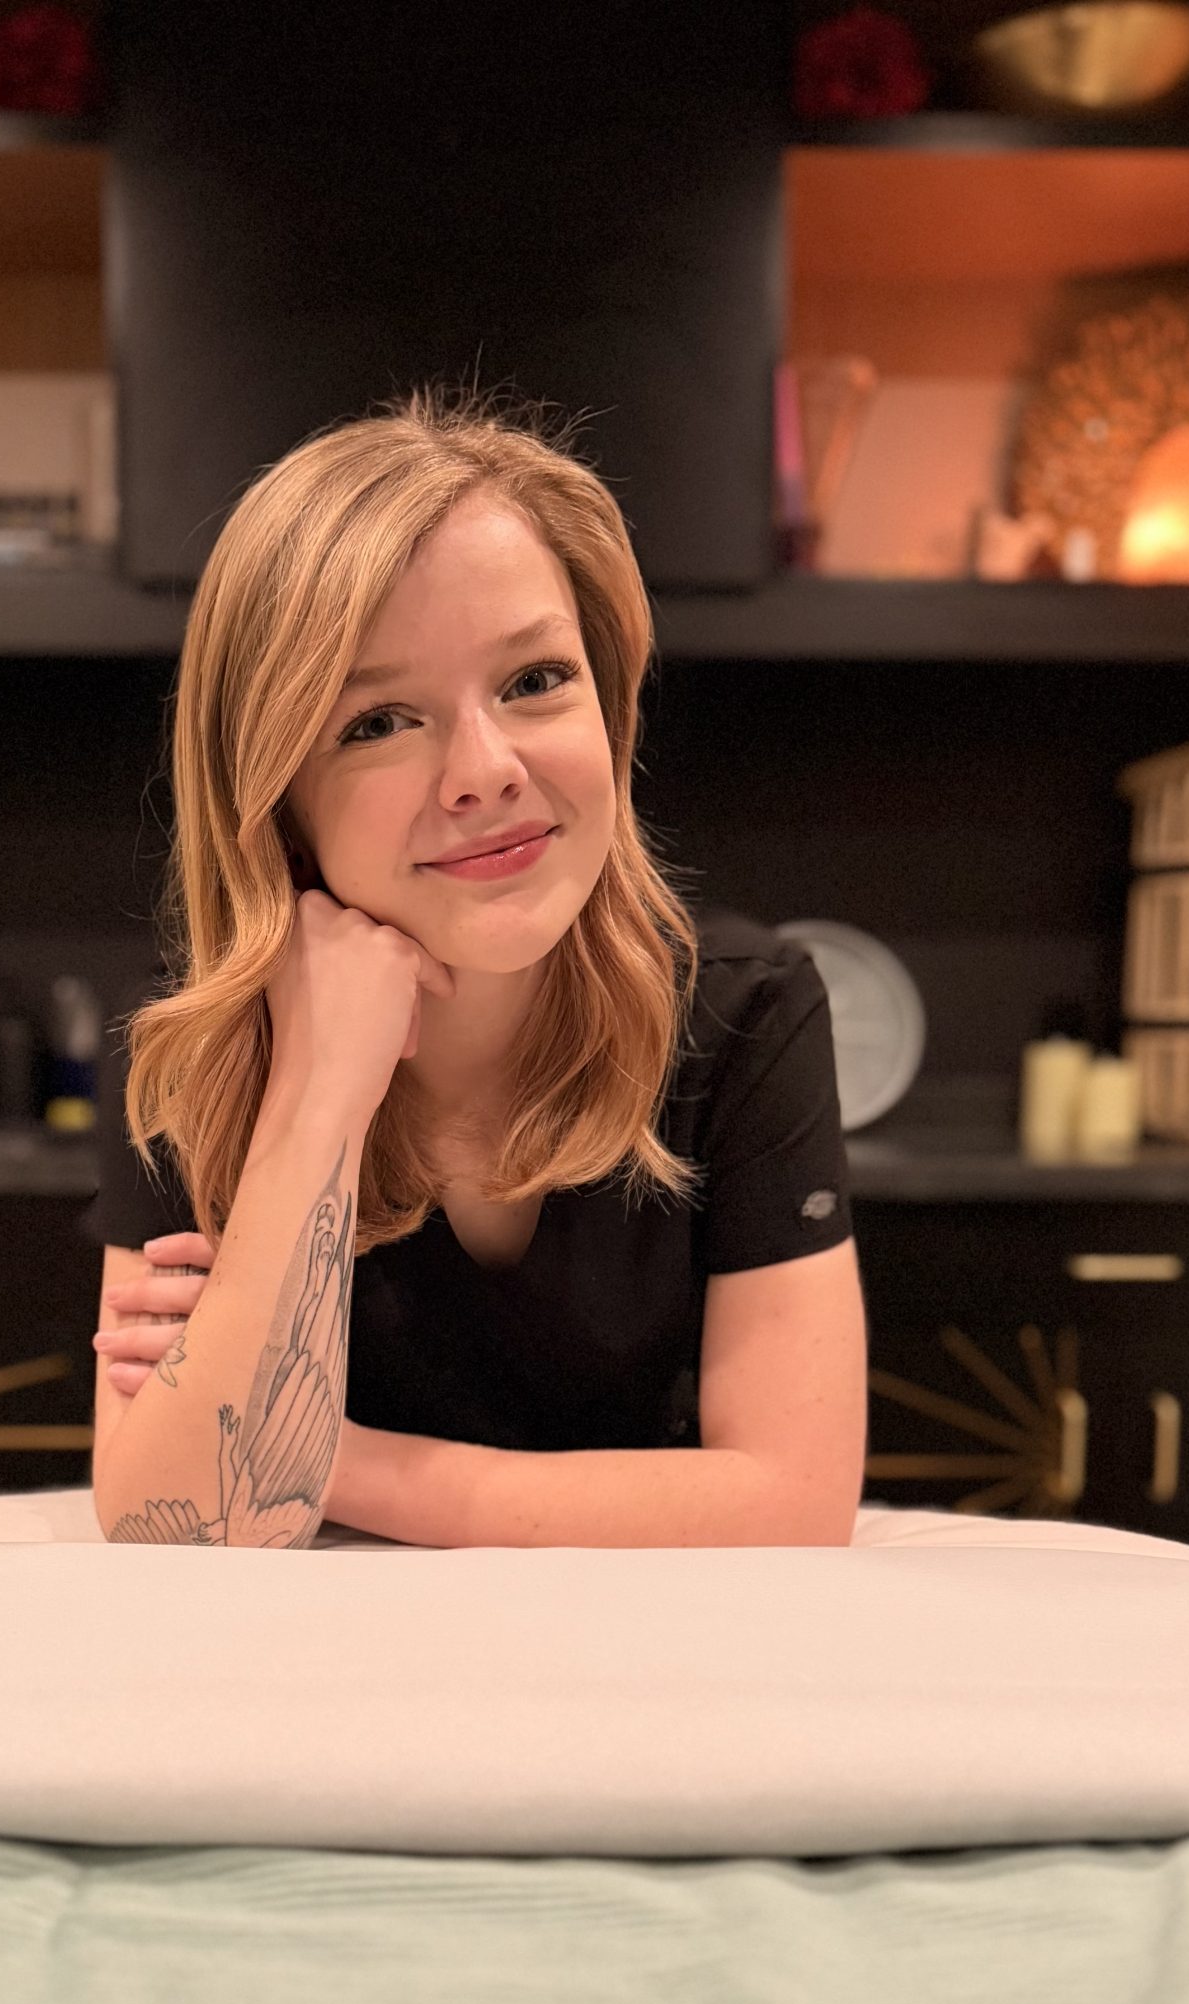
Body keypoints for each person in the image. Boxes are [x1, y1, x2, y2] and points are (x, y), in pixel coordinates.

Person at [82, 389, 866, 1548]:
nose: (484, 769)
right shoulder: (192, 1065)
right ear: (275, 801)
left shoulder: (744, 1011)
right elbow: (166, 1516)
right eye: (376, 720)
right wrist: (317, 1099)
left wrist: (308, 1453)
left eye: (534, 680)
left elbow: (793, 1503)